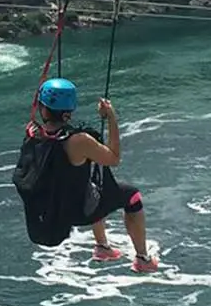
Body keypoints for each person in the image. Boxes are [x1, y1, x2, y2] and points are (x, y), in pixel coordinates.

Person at [18, 77, 157, 273]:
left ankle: (103, 247)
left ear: (42, 108)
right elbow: (114, 158)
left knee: (93, 180)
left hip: (51, 210)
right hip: (80, 212)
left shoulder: (33, 134)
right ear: (69, 112)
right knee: (131, 195)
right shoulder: (79, 141)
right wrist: (110, 117)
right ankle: (143, 259)